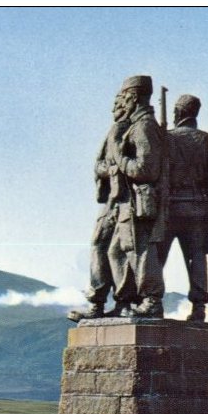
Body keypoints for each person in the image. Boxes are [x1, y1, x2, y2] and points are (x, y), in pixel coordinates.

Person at [160, 94, 208, 322]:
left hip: (169, 208)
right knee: (197, 259)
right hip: (198, 210)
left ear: (178, 113)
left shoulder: (166, 139)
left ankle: (151, 302)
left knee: (157, 257)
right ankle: (199, 307)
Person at [68, 92, 134, 322]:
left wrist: (116, 169)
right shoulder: (114, 130)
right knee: (99, 245)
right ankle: (97, 302)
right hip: (111, 198)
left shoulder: (135, 129)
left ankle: (123, 302)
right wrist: (110, 170)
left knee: (119, 251)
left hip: (129, 199)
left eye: (118, 104)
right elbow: (99, 165)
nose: (114, 109)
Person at [105, 75, 166, 318]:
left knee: (140, 251)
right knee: (117, 252)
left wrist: (119, 158)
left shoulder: (144, 126)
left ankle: (151, 299)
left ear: (133, 97)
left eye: (125, 98)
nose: (123, 103)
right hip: (128, 202)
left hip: (138, 202)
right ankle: (125, 302)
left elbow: (145, 169)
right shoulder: (135, 125)